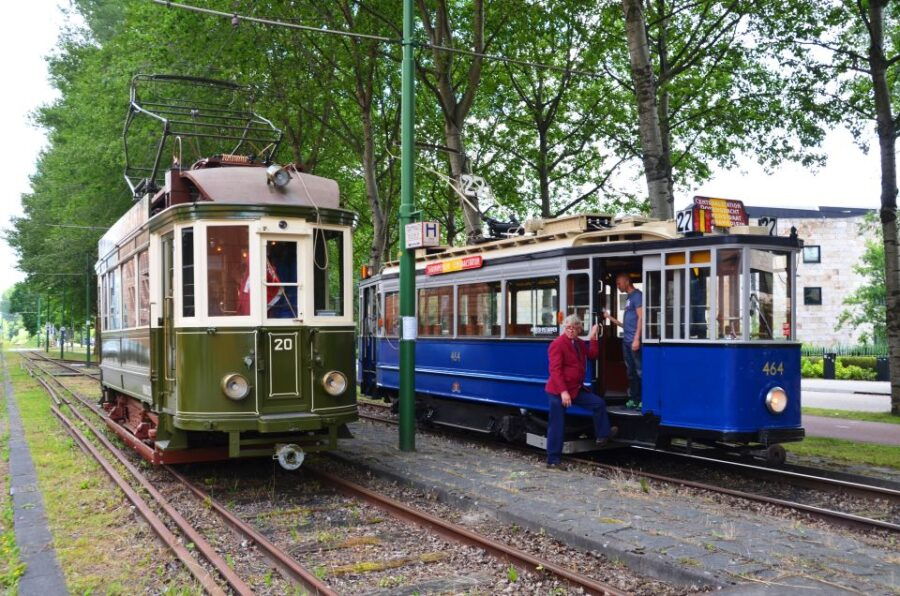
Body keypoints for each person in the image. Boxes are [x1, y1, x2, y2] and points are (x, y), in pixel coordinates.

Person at [544, 314, 617, 467]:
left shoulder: (578, 343)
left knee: (598, 403)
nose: (570, 330)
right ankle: (553, 460)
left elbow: (592, 355)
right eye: (568, 328)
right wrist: (563, 392)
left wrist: (593, 337)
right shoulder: (557, 344)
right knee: (557, 425)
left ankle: (603, 435)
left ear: (579, 329)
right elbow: (555, 371)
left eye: (574, 328)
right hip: (558, 392)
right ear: (564, 328)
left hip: (575, 390)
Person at [604, 273, 643, 407]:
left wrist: (636, 339)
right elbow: (626, 325)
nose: (618, 286)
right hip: (626, 340)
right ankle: (634, 399)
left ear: (627, 282)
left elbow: (641, 317)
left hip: (633, 341)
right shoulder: (629, 298)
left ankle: (643, 400)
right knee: (631, 372)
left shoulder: (637, 295)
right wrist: (609, 317)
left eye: (619, 283)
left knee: (639, 371)